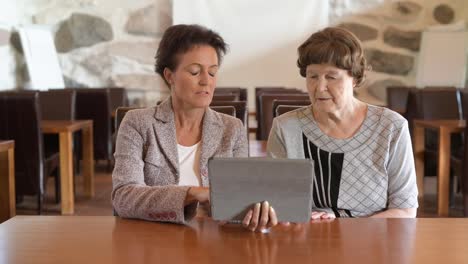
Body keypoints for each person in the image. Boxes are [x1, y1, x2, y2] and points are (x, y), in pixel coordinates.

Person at [112, 24, 277, 231]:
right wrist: (192, 193)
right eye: (195, 71)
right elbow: (123, 197)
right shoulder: (138, 123)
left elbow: (240, 198)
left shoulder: (232, 129)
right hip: (151, 238)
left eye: (213, 72)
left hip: (214, 243)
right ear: (169, 76)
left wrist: (257, 210)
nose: (206, 81)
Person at [267, 27, 418, 219]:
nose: (320, 87)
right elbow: (275, 202)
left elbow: (405, 210)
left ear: (354, 78)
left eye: (331, 77)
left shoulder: (391, 127)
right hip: (309, 242)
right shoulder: (285, 127)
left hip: (374, 241)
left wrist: (345, 231)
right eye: (313, 76)